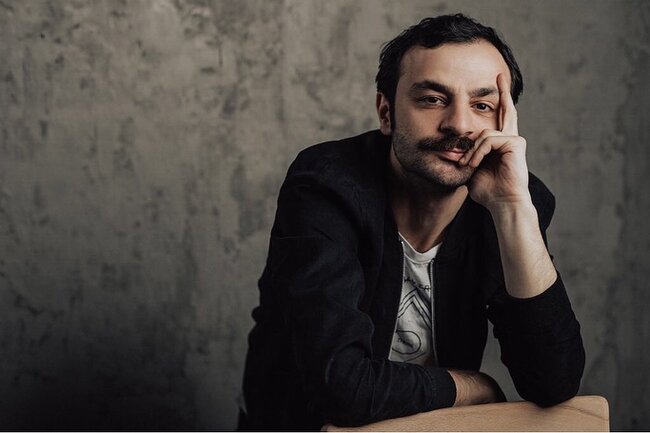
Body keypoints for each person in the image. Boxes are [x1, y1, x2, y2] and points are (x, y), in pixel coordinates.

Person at [238, 13, 585, 431]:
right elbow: (341, 388)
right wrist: (472, 387)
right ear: (386, 112)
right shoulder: (327, 184)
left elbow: (554, 381)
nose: (459, 124)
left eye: (482, 105)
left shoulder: (515, 201)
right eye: (432, 99)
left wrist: (511, 208)